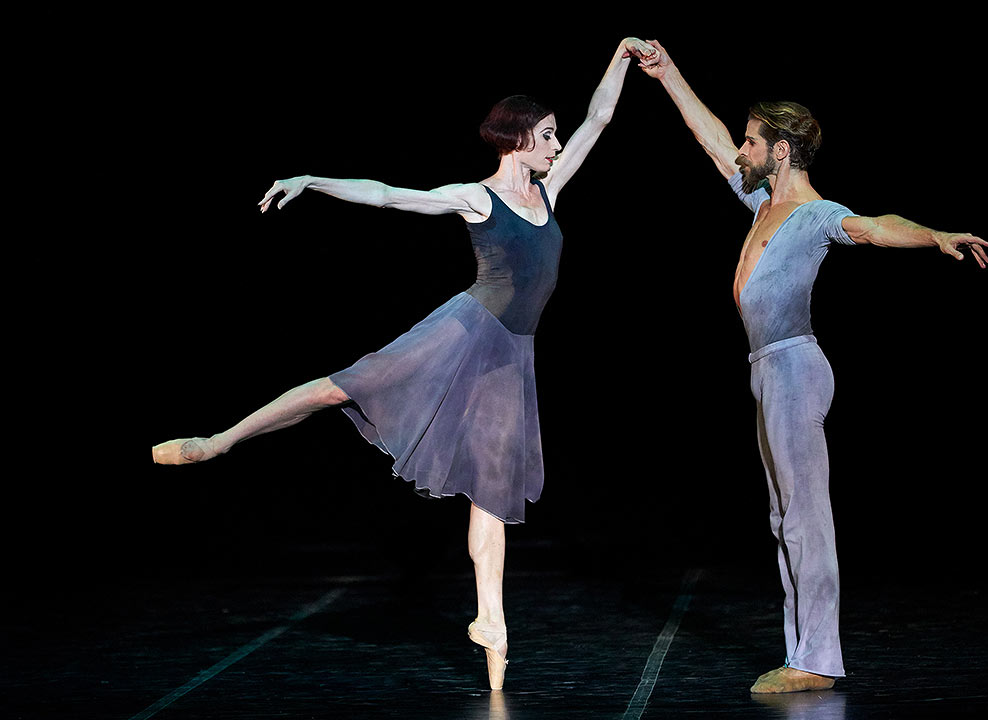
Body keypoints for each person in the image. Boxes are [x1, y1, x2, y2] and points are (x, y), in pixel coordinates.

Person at [151, 37, 660, 691]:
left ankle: (492, 625)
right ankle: (218, 442)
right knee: (343, 388)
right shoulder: (478, 198)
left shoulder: (550, 190)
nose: (559, 146)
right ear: (518, 140)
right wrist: (312, 180)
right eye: (548, 137)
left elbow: (599, 121)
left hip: (511, 358)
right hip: (464, 333)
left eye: (556, 138)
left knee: (492, 492)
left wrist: (619, 58)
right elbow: (391, 194)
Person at [635, 40, 988, 694]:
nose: (740, 150)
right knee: (783, 517)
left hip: (796, 367)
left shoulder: (815, 215)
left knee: (804, 516)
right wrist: (667, 74)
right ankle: (805, 652)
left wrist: (933, 236)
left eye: (751, 142)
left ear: (781, 151)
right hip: (768, 369)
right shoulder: (760, 204)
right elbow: (710, 138)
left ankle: (816, 660)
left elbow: (875, 226)